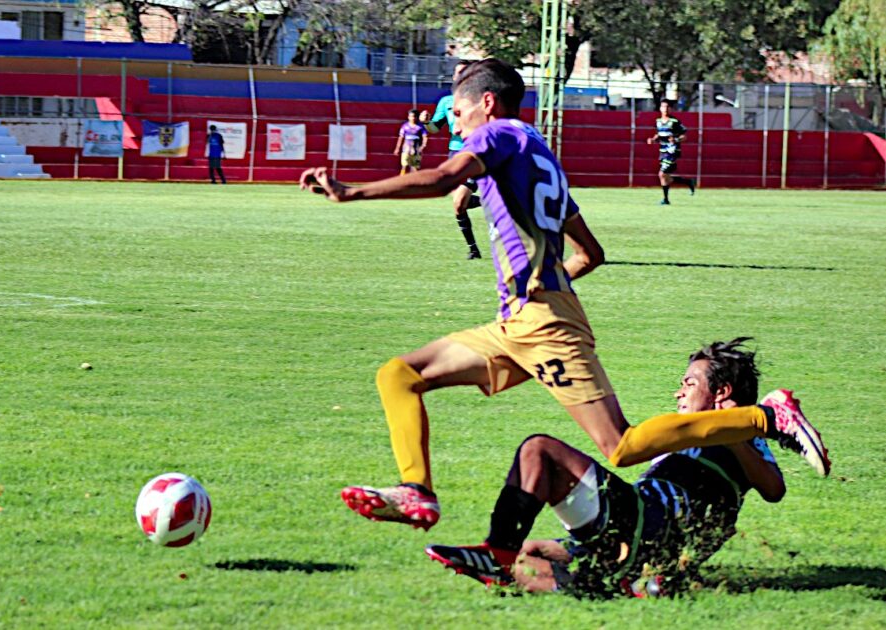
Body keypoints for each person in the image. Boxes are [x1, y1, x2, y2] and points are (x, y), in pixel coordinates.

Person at [298, 59, 829, 533]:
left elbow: (441, 180)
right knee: (400, 375)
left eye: (457, 114)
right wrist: (547, 281)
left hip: (544, 322)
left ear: (487, 103)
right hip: (525, 320)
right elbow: (590, 252)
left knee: (619, 445)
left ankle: (765, 417)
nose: (454, 126)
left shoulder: (500, 135)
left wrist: (351, 191)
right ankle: (416, 490)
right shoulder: (539, 154)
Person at [426, 338, 789, 597]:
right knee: (528, 555)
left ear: (722, 393)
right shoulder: (677, 431)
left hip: (658, 523)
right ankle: (613, 583)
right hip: (638, 521)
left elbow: (774, 489)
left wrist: (731, 434)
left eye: (689, 384)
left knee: (540, 450)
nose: (679, 393)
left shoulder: (745, 434)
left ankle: (496, 554)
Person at [420, 60, 482, 260]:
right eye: (457, 73)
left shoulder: (480, 100)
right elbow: (435, 129)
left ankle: (474, 249)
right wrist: (426, 122)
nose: (458, 76)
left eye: (463, 72)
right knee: (460, 205)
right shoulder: (446, 102)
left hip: (474, 154)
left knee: (458, 202)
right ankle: (474, 248)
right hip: (454, 154)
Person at [646, 101, 694, 204]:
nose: (665, 109)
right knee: (665, 176)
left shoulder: (674, 121)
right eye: (663, 106)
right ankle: (687, 182)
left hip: (672, 151)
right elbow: (658, 134)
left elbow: (684, 136)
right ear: (660, 108)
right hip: (663, 151)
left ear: (671, 109)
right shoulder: (658, 121)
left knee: (662, 174)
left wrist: (676, 140)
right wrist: (653, 140)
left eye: (667, 107)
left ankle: (666, 199)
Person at [394, 109, 429, 175]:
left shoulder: (420, 127)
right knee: (404, 166)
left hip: (416, 150)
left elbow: (425, 137)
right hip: (406, 149)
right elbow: (401, 137)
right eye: (410, 116)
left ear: (416, 117)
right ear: (408, 117)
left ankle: (415, 182)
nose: (412, 118)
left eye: (414, 116)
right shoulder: (405, 126)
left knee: (415, 167)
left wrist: (423, 146)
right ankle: (402, 181)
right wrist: (397, 148)